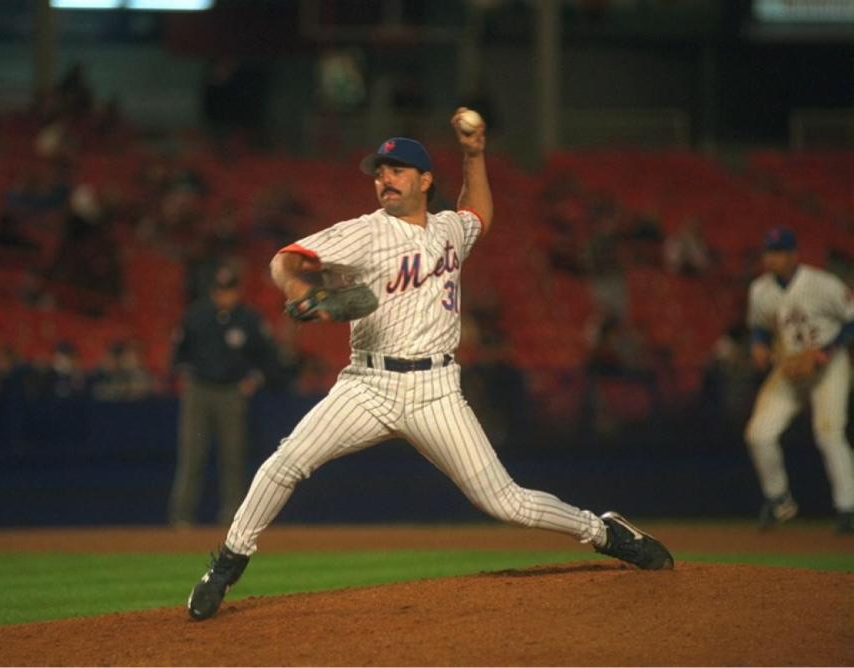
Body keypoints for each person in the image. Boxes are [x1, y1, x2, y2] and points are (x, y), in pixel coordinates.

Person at [185, 110, 674, 622]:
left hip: (437, 390)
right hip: (368, 385)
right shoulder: (362, 233)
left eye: (396, 170)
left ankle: (604, 531)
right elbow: (284, 260)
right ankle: (227, 565)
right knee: (282, 464)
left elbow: (478, 213)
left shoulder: (448, 231)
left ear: (425, 181)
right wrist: (299, 288)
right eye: (379, 171)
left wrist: (475, 153)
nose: (384, 179)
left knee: (506, 502)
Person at [744, 227, 854, 533]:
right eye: (769, 252)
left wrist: (828, 351)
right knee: (759, 434)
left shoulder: (822, 284)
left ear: (794, 255)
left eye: (778, 252)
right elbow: (760, 327)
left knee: (829, 433)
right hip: (790, 367)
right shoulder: (760, 290)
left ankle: (849, 508)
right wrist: (758, 345)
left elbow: (851, 319)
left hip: (829, 367)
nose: (773, 258)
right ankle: (779, 500)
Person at [168, 264, 278, 527]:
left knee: (233, 458)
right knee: (192, 455)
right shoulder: (197, 314)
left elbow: (267, 356)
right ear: (212, 291)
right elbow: (179, 352)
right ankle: (181, 519)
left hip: (232, 392)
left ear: (237, 291)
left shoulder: (249, 319)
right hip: (199, 390)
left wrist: (255, 379)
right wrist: (183, 375)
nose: (224, 296)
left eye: (228, 290)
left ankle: (233, 519)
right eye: (220, 290)